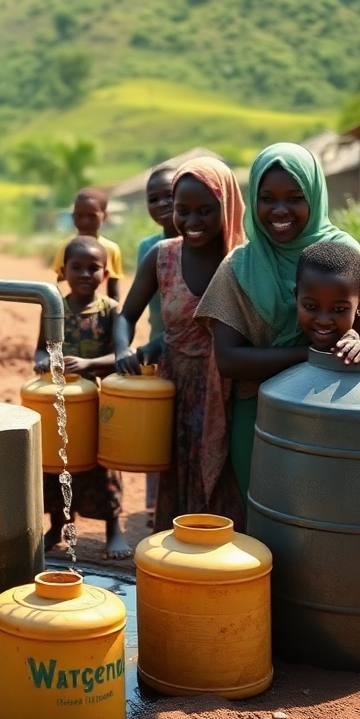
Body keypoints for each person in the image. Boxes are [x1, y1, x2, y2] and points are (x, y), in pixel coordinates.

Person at [196, 143, 360, 503]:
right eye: (268, 198)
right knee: (266, 512)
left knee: (326, 512)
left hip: (333, 410)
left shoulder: (344, 254)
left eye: (295, 197)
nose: (280, 210)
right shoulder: (240, 266)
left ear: (315, 196)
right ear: (252, 202)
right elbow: (228, 360)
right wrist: (312, 354)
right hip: (259, 414)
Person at [114, 157, 246, 532]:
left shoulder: (242, 261)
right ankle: (175, 565)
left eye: (205, 211)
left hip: (229, 386)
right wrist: (124, 349)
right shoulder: (163, 256)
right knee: (176, 473)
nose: (192, 222)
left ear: (228, 207)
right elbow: (126, 316)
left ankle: (219, 568)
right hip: (174, 386)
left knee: (224, 480)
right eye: (181, 211)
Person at [33, 237, 127, 559]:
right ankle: (58, 524)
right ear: (64, 270)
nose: (86, 274)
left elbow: (121, 356)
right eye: (77, 267)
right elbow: (39, 347)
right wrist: (42, 360)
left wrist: (88, 364)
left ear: (106, 272)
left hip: (98, 403)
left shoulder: (111, 310)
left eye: (94, 268)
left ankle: (113, 530)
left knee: (103, 466)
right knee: (57, 462)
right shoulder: (54, 307)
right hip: (60, 402)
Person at [136, 165, 177, 520]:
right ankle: (159, 508)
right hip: (156, 350)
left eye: (170, 194)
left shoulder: (212, 244)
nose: (163, 202)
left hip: (196, 350)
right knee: (158, 429)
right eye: (154, 197)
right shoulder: (148, 248)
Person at [295, 241, 360, 360]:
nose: (323, 321)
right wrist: (321, 352)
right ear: (296, 297)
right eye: (311, 307)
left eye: (339, 309)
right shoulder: (286, 334)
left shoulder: (353, 343)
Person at [52, 187, 123, 302]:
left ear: (104, 216)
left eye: (92, 216)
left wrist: (113, 316)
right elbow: (59, 284)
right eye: (79, 216)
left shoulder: (111, 249)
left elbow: (113, 291)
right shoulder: (64, 247)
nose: (85, 221)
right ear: (73, 216)